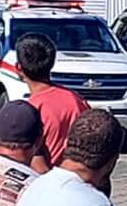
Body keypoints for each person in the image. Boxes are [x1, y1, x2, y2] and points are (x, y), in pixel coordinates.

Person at [16, 33, 89, 171]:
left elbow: (37, 164)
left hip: (47, 185)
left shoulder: (30, 111)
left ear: (19, 68)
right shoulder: (77, 101)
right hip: (79, 181)